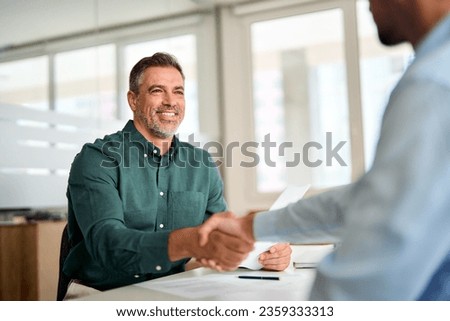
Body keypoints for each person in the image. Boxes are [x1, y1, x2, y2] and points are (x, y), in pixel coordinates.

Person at [199, 0, 450, 300]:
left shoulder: (432, 82)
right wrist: (253, 226)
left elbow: (376, 266)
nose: (366, 7)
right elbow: (369, 202)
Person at [63, 52, 291, 298]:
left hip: (175, 288)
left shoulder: (202, 164)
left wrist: (264, 252)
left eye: (179, 91)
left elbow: (219, 238)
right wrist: (187, 241)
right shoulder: (98, 159)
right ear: (133, 100)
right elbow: (107, 245)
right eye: (157, 91)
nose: (171, 101)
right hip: (102, 294)